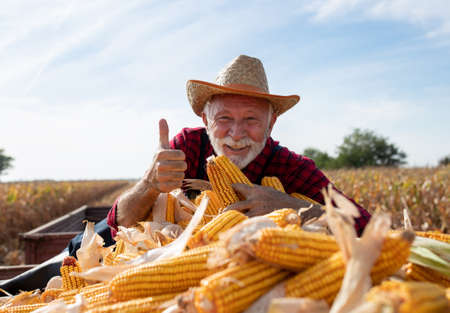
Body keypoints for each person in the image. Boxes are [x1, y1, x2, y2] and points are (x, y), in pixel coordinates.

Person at [107, 55, 370, 235]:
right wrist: (148, 185)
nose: (236, 133)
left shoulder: (290, 167)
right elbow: (118, 226)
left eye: (251, 119)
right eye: (224, 118)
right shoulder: (187, 148)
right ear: (205, 120)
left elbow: (366, 227)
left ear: (271, 123)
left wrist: (294, 208)